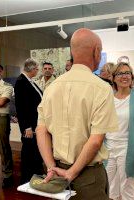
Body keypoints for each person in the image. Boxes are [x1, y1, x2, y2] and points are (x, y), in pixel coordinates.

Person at [36, 28, 119, 200]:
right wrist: (71, 173)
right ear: (96, 51)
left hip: (56, 171)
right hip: (88, 175)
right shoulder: (102, 88)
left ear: (72, 51)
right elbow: (96, 140)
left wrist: (51, 167)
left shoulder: (52, 87)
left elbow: (41, 130)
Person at [105, 62, 134, 200]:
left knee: (126, 188)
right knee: (109, 186)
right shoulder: (108, 98)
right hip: (108, 148)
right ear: (113, 78)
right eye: (120, 73)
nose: (124, 76)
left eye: (127, 73)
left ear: (132, 76)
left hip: (128, 148)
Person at [14, 58, 44, 184]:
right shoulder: (21, 81)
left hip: (35, 122)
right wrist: (27, 127)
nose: (38, 71)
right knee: (28, 150)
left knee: (35, 149)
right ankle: (27, 177)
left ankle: (36, 174)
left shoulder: (29, 81)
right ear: (32, 69)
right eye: (37, 69)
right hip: (29, 125)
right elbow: (21, 106)